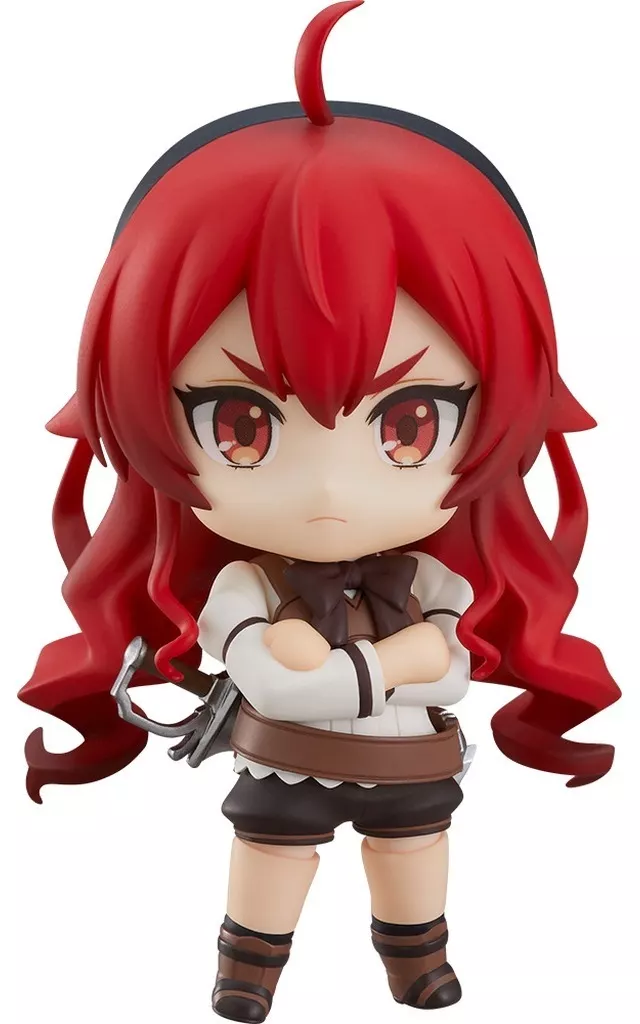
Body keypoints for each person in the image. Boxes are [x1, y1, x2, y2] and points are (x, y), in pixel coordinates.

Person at [19, 2, 620, 1020]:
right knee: (271, 858)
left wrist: (359, 668)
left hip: (409, 761)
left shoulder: (427, 577)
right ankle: (248, 967)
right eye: (241, 423)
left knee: (413, 854)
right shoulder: (243, 586)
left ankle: (415, 959)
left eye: (411, 423)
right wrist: (393, 665)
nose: (331, 490)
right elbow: (273, 681)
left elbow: (454, 666)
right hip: (289, 766)